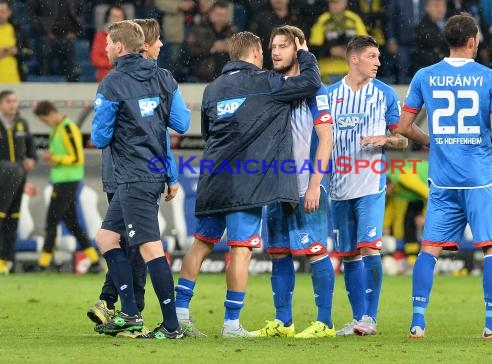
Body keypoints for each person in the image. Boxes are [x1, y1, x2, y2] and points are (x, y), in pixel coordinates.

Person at [174, 31, 321, 338]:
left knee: (200, 244)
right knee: (240, 251)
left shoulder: (212, 88)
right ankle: (231, 324)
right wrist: (304, 53)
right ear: (255, 52)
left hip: (213, 177)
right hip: (247, 183)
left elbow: (208, 133)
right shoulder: (266, 82)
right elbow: (310, 83)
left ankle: (180, 314)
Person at [396, 14, 492, 340]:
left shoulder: (425, 76)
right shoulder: (490, 78)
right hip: (480, 179)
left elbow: (402, 127)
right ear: (473, 41)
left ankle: (417, 322)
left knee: (429, 249)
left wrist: (431, 141)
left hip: (443, 180)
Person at [91, 20, 190, 339]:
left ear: (120, 47)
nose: (105, 47)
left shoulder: (113, 82)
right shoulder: (163, 77)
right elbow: (178, 122)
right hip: (150, 171)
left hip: (134, 175)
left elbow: (100, 136)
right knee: (106, 238)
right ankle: (131, 313)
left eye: (108, 42)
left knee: (150, 249)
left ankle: (171, 325)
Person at [252, 25, 335, 339]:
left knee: (315, 251)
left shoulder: (315, 91)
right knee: (278, 252)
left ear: (299, 48)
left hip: (305, 185)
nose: (275, 51)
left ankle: (324, 323)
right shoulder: (272, 87)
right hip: (276, 187)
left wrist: (316, 183)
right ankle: (283, 322)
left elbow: (326, 139)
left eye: (283, 46)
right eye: (273, 45)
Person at [328, 35, 407, 336]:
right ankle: (357, 317)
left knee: (370, 248)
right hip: (338, 187)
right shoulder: (330, 95)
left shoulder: (384, 94)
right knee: (348, 254)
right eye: (372, 56)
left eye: (378, 56)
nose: (378, 61)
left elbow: (402, 138)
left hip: (371, 184)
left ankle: (370, 318)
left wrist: (385, 139)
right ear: (354, 59)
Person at [33, 101, 99, 270]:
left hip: (68, 180)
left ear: (49, 114)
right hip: (61, 179)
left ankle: (43, 263)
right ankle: (93, 258)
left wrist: (55, 159)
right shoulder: (57, 128)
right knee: (72, 222)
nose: (45, 124)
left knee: (52, 220)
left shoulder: (68, 128)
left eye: (43, 120)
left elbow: (77, 158)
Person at [0, 90, 37, 274]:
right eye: (9, 101)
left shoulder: (21, 123)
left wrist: (32, 159)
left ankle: (6, 261)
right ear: (1, 104)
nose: (13, 104)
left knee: (12, 219)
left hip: (18, 179)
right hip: (1, 179)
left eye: (15, 101)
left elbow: (31, 149)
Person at [90, 5, 127, 82]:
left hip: (126, 75)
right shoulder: (100, 35)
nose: (116, 19)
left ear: (124, 19)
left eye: (119, 16)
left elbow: (133, 58)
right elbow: (95, 58)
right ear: (108, 18)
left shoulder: (131, 37)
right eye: (114, 16)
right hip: (105, 75)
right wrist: (114, 63)